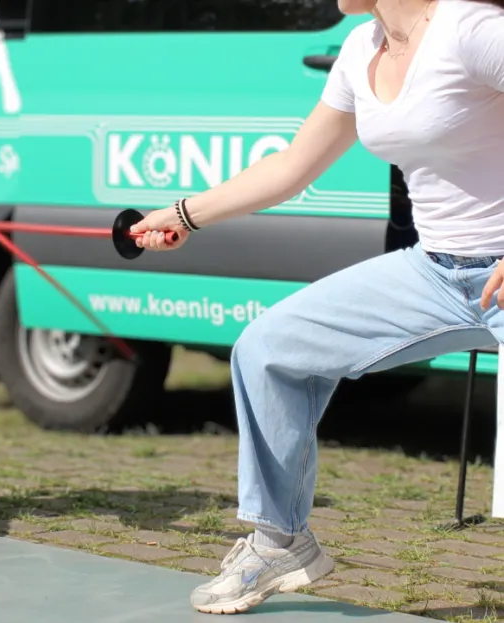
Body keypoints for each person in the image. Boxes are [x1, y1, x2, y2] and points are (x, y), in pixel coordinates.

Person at [129, 0, 504, 614]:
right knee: (269, 349)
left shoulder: (471, 30)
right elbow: (292, 167)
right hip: (434, 271)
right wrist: (184, 215)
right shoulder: (361, 49)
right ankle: (281, 542)